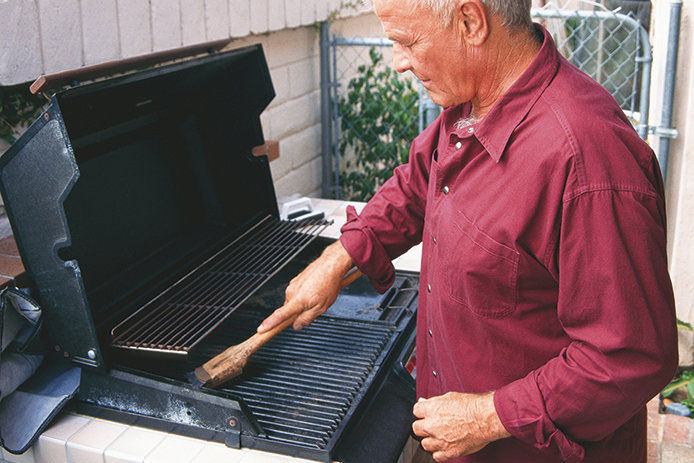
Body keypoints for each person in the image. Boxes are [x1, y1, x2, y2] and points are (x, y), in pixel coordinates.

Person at [258, 0, 678, 461]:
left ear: (470, 21)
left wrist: (486, 416)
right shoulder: (476, 100)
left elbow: (628, 357)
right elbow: (420, 182)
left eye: (407, 42)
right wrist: (339, 259)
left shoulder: (590, 161)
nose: (399, 63)